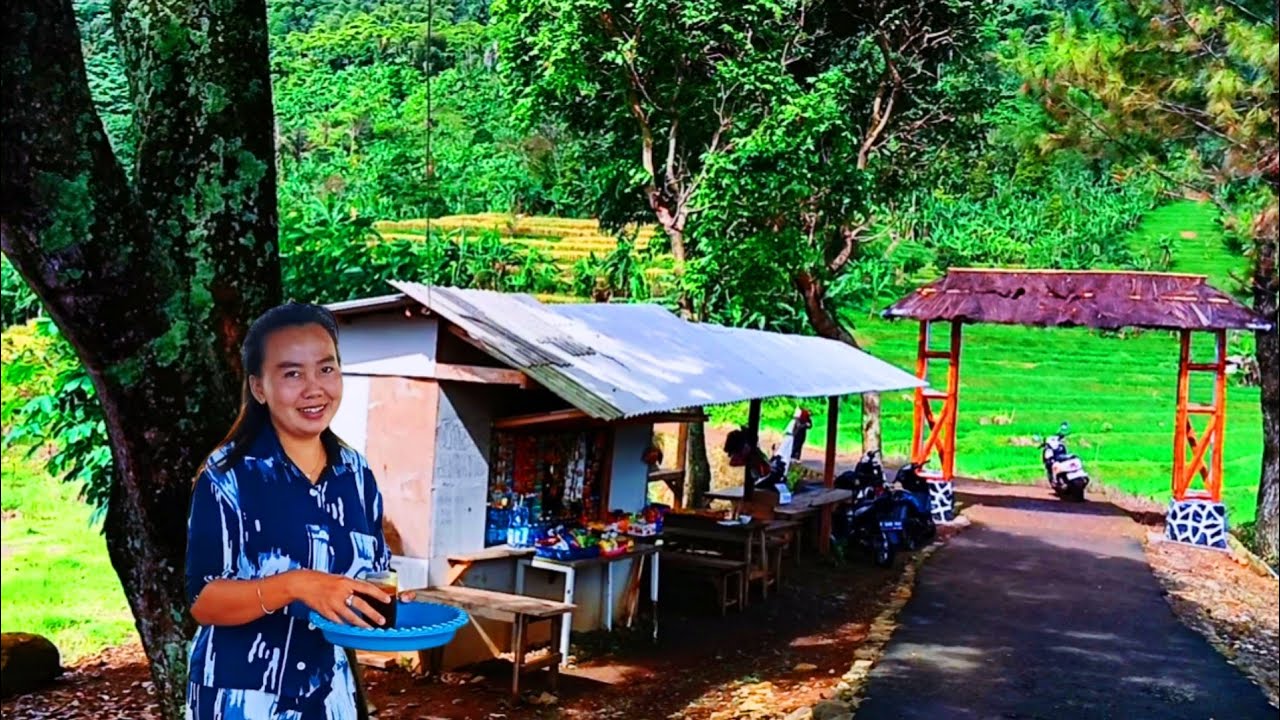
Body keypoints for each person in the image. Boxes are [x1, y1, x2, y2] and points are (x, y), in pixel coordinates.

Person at [184, 302, 401, 719]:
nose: (314, 388)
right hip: (242, 698)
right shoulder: (227, 477)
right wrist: (295, 585)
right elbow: (203, 601)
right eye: (292, 374)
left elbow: (369, 578)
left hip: (329, 692)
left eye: (326, 368)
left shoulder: (356, 474)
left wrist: (380, 606)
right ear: (259, 388)